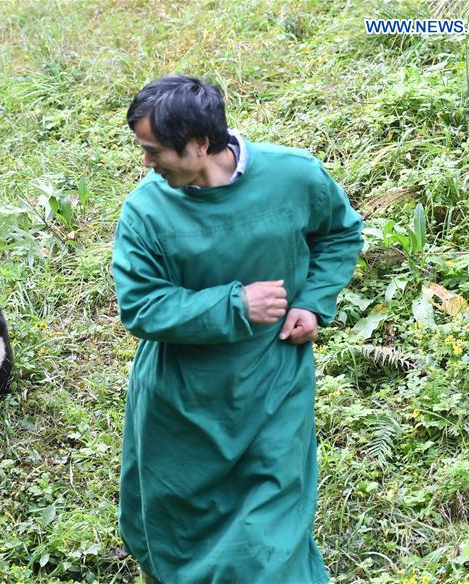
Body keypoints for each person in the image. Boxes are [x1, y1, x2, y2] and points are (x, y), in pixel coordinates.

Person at [111, 75, 364, 583]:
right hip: (181, 401)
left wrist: (312, 304)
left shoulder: (294, 177)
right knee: (177, 527)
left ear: (201, 144)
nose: (146, 163)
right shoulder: (146, 211)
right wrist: (235, 305)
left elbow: (340, 233)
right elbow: (141, 306)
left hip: (273, 385)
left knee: (271, 533)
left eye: (155, 150)